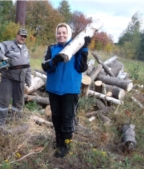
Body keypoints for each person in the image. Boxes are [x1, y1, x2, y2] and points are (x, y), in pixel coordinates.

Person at [41, 23, 90, 158]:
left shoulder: (76, 48)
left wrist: (84, 49)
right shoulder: (52, 48)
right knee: (56, 116)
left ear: (69, 34)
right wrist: (54, 60)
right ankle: (58, 141)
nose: (61, 35)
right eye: (59, 32)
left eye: (64, 32)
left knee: (67, 118)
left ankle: (66, 145)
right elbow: (45, 66)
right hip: (53, 89)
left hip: (70, 89)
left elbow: (81, 68)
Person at [0, 28, 31, 126]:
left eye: (25, 36)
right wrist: (4, 58)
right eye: (21, 35)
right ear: (17, 35)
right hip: (8, 78)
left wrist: (28, 78)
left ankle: (15, 122)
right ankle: (0, 123)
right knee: (4, 101)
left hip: (21, 79)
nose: (23, 38)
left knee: (19, 102)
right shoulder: (9, 45)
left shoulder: (25, 49)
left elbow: (27, 65)